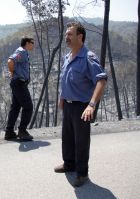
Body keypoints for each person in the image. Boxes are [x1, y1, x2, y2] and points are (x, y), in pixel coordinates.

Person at [54, 22, 107, 187]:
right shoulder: (67, 57)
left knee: (81, 141)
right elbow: (65, 79)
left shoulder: (88, 57)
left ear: (80, 37)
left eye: (70, 34)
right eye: (66, 34)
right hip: (68, 105)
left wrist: (91, 105)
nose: (66, 37)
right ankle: (69, 164)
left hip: (82, 107)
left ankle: (82, 173)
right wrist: (62, 97)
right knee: (67, 138)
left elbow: (101, 80)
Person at [4, 36, 34, 141]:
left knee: (15, 108)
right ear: (26, 43)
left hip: (17, 83)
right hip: (19, 83)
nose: (33, 44)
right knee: (28, 107)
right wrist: (12, 72)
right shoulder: (22, 52)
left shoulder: (22, 51)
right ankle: (22, 131)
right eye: (32, 42)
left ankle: (9, 132)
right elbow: (10, 61)